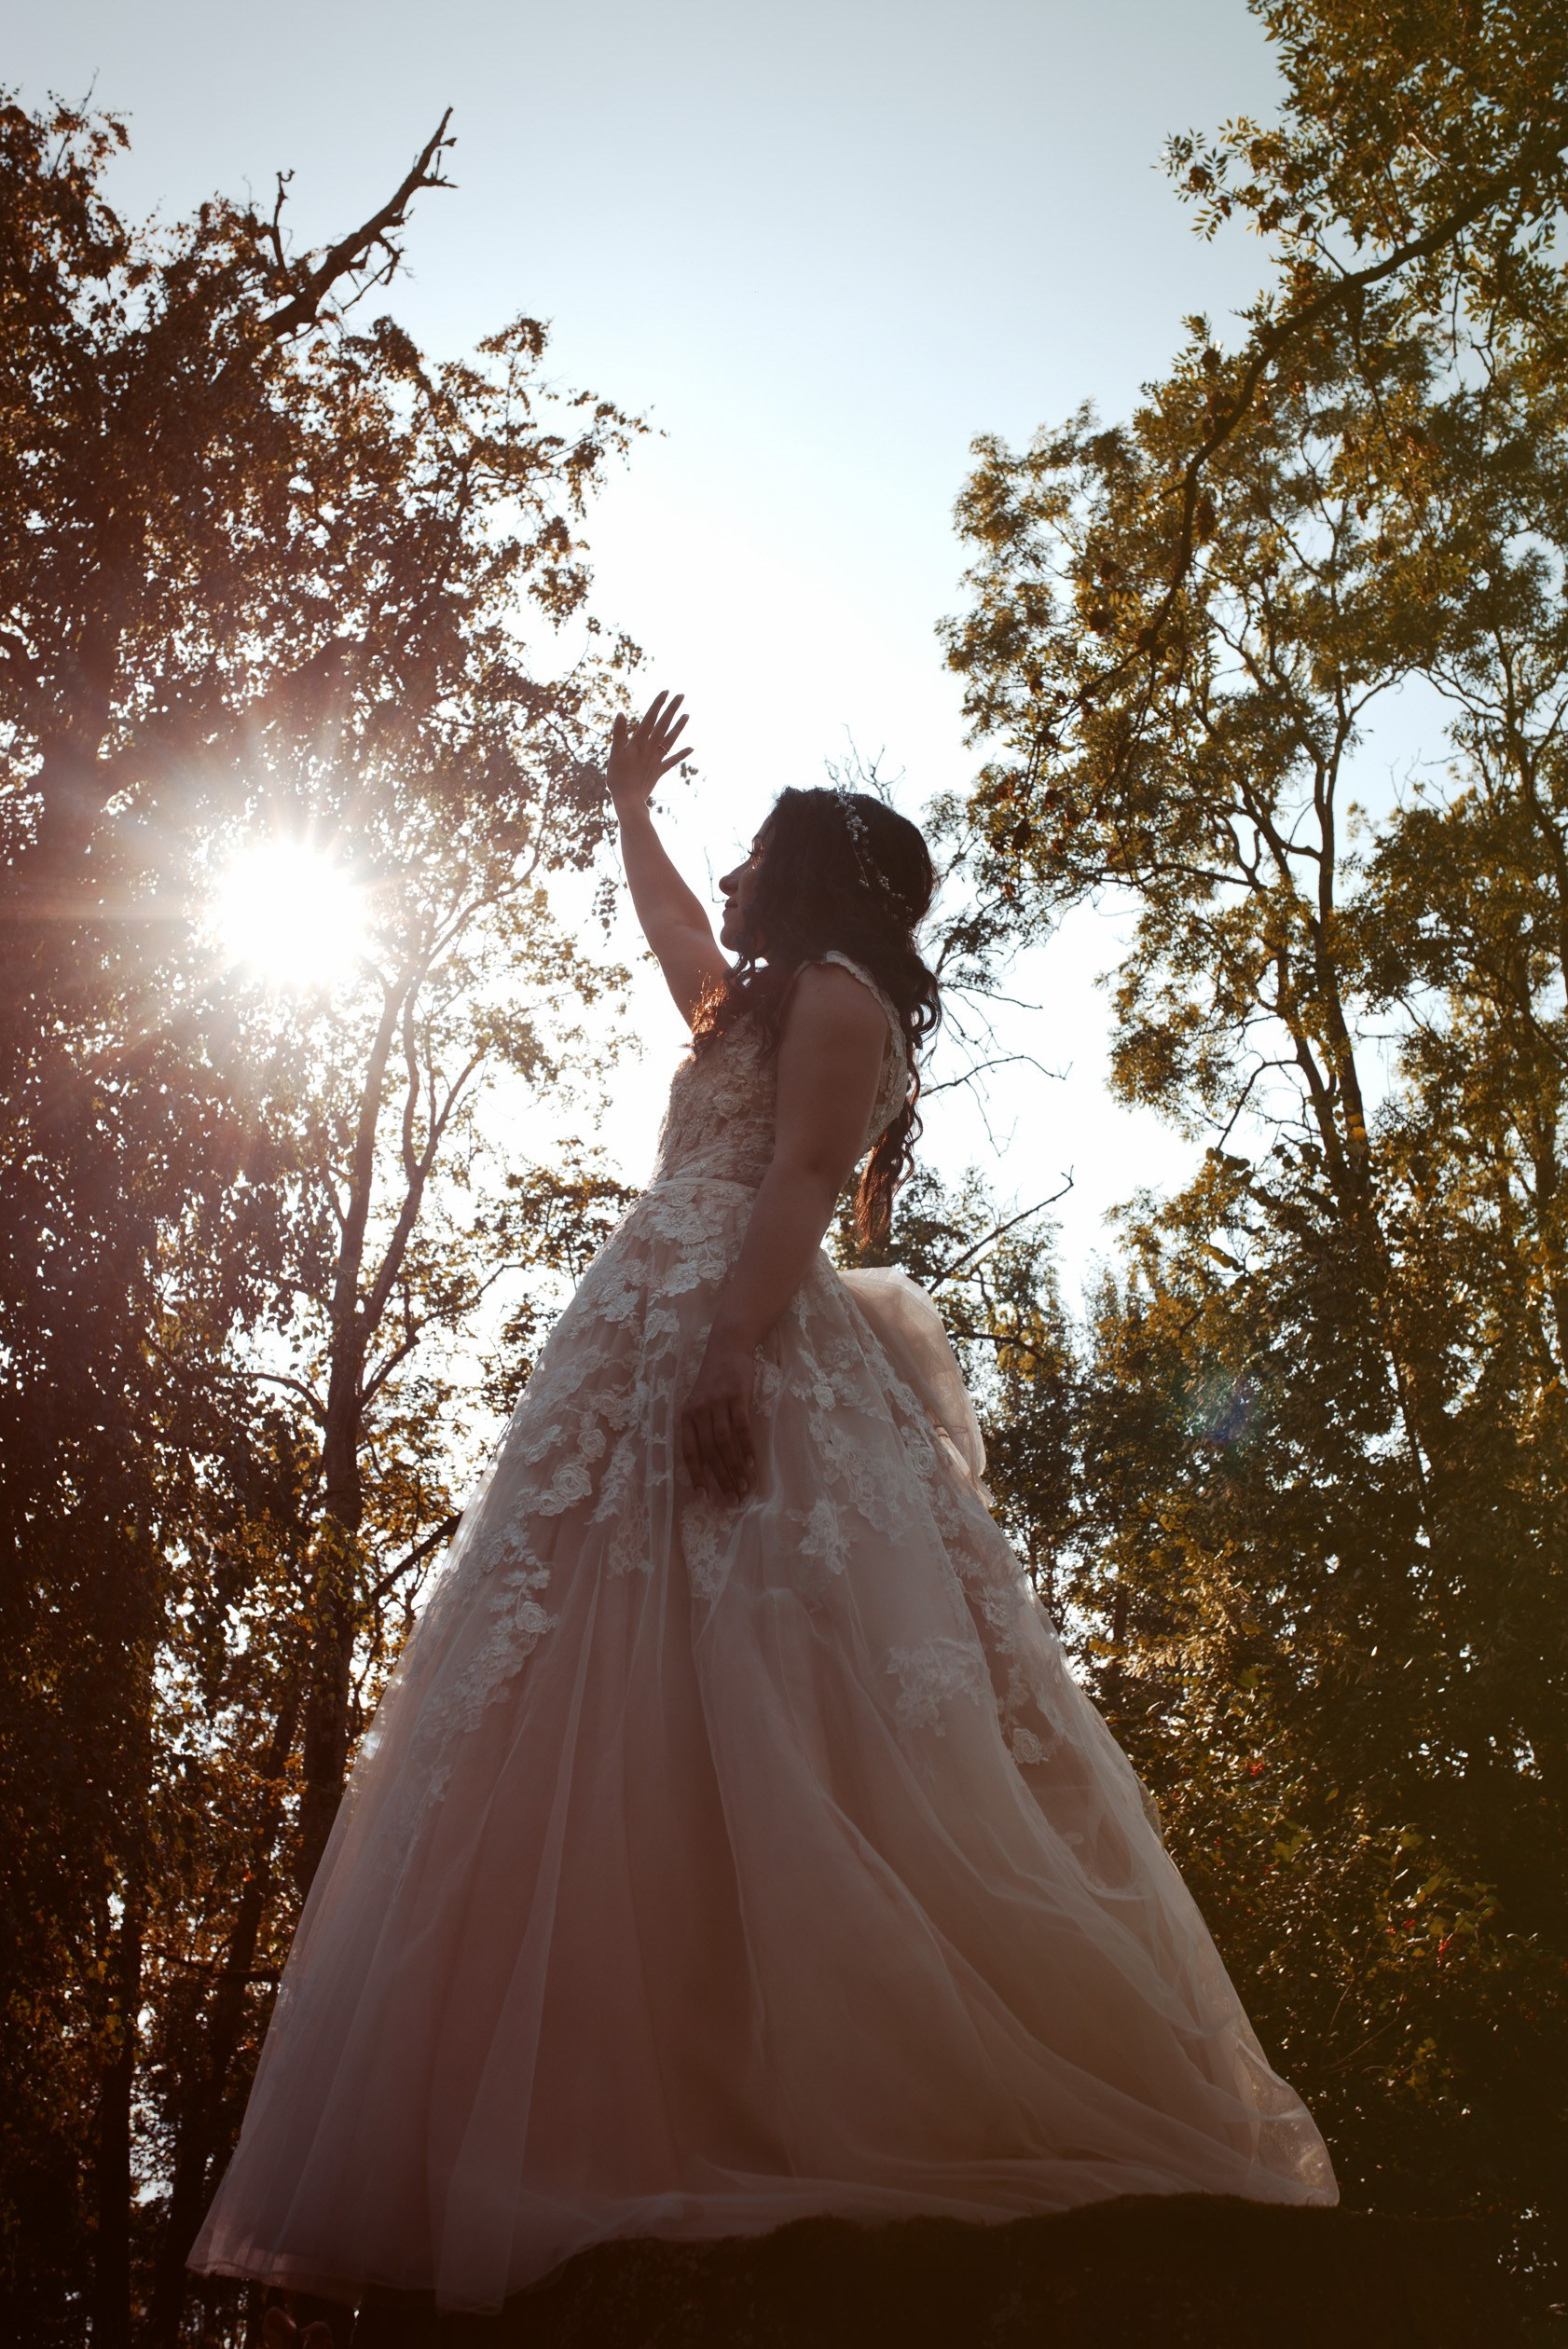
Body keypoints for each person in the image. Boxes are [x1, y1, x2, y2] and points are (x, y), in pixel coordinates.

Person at [191, 694, 1336, 2323]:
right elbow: (677, 941)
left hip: (739, 1338)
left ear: (804, 881)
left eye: (742, 862)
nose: (721, 883)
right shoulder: (752, 1001)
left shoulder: (844, 1000)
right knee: (606, 1691)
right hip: (644, 1333)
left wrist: (727, 1346)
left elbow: (803, 1178)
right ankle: (651, 2094)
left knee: (785, 1683)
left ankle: (839, 2101)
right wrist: (626, 811)